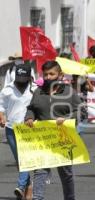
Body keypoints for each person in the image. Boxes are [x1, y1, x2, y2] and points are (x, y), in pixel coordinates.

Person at [24, 61, 82, 200]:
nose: (48, 77)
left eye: (52, 74)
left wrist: (67, 119)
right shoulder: (38, 91)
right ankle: (37, 198)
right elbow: (31, 108)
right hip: (44, 139)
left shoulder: (69, 92)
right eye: (46, 74)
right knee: (40, 171)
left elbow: (80, 111)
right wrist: (29, 118)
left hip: (62, 140)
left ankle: (69, 197)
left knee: (66, 173)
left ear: (60, 75)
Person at [0, 64, 35, 199]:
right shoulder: (7, 89)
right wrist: (1, 117)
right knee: (19, 160)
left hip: (28, 130)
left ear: (28, 76)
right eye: (19, 77)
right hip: (11, 129)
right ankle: (28, 185)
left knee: (25, 159)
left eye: (24, 77)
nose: (21, 80)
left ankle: (21, 186)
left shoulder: (35, 89)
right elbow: (1, 105)